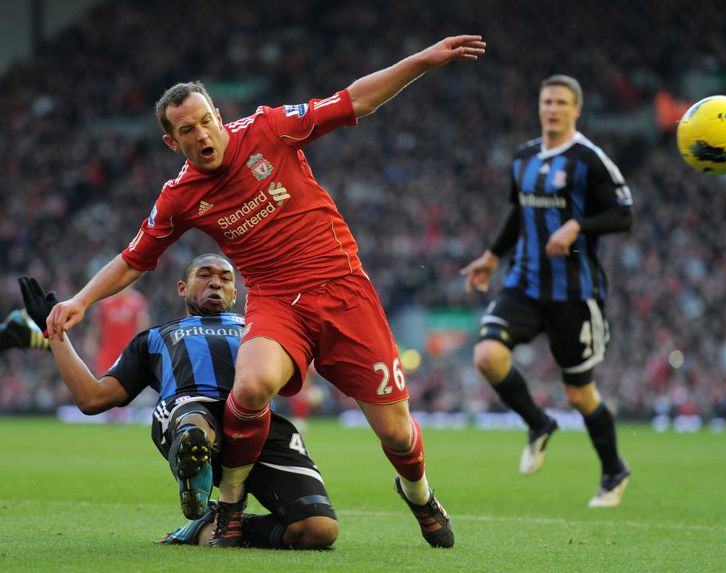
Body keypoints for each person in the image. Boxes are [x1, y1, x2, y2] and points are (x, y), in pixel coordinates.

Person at [46, 34, 484, 548]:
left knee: (396, 433)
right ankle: (230, 504)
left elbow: (354, 101)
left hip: (344, 290)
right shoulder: (179, 197)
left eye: (205, 121)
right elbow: (133, 258)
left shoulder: (269, 128)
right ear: (172, 142)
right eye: (187, 130)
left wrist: (423, 61)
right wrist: (81, 300)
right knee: (251, 387)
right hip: (277, 301)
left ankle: (419, 495)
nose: (202, 135)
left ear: (218, 114)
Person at [21, 254, 338, 549]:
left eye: (225, 278)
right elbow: (92, 398)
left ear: (235, 293)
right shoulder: (153, 338)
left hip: (256, 425)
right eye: (205, 275)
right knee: (194, 425)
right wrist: (55, 332)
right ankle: (193, 455)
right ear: (182, 288)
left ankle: (210, 527)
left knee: (319, 530)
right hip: (189, 411)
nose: (216, 283)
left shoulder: (261, 330)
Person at [461, 75, 634, 508]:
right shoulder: (524, 157)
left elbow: (623, 214)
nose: (552, 109)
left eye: (561, 103)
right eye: (547, 102)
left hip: (574, 293)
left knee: (579, 394)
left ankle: (614, 470)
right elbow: (519, 213)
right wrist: (492, 256)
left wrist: (578, 225)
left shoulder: (589, 159)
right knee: (487, 357)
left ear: (577, 110)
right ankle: (539, 423)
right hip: (524, 284)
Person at [90, 285, 150, 374]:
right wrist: (92, 342)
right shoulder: (105, 301)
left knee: (128, 379)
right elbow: (96, 325)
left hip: (128, 351)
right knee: (104, 378)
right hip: (108, 350)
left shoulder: (137, 301)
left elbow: (142, 326)